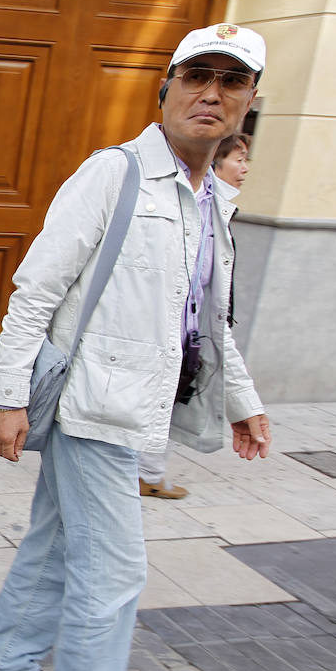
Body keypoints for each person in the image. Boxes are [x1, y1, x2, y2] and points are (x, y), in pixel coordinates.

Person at [0, 24, 273, 671]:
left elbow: (209, 316)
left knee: (58, 537)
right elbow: (36, 290)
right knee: (115, 565)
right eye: (196, 75)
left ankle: (7, 655)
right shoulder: (116, 174)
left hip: (136, 401)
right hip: (93, 403)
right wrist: (9, 395)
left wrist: (243, 398)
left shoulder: (210, 200)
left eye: (230, 82)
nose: (211, 93)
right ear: (165, 87)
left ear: (249, 102)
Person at [139, 130, 254, 499]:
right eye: (239, 159)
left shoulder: (217, 209)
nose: (245, 169)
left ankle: (147, 472)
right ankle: (146, 474)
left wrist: (244, 403)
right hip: (158, 336)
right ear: (215, 160)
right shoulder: (175, 203)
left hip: (188, 334)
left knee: (169, 404)